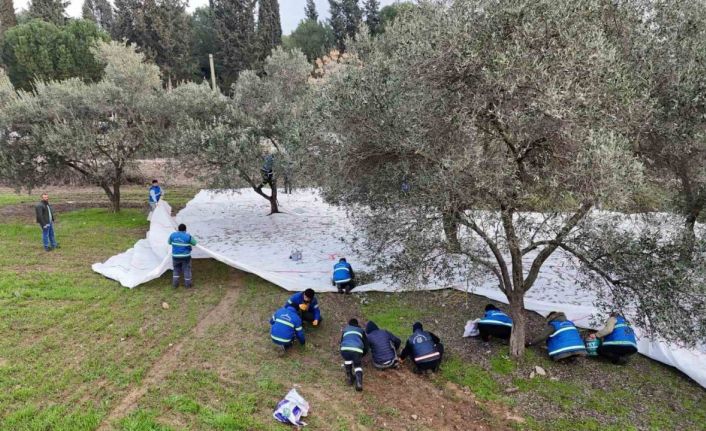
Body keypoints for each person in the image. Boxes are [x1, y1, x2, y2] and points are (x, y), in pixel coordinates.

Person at [340, 318, 369, 391]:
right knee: (357, 366)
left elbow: (341, 341)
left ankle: (350, 378)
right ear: (357, 324)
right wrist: (362, 354)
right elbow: (366, 345)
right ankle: (359, 383)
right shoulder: (361, 330)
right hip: (356, 349)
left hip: (344, 349)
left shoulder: (345, 329)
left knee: (347, 360)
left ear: (349, 324)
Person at [168, 223, 197, 288]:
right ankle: (188, 285)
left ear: (178, 229)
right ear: (185, 229)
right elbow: (195, 243)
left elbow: (169, 242)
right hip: (186, 257)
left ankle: (175, 285)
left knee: (176, 269)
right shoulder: (187, 236)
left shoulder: (172, 235)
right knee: (186, 269)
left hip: (175, 256)